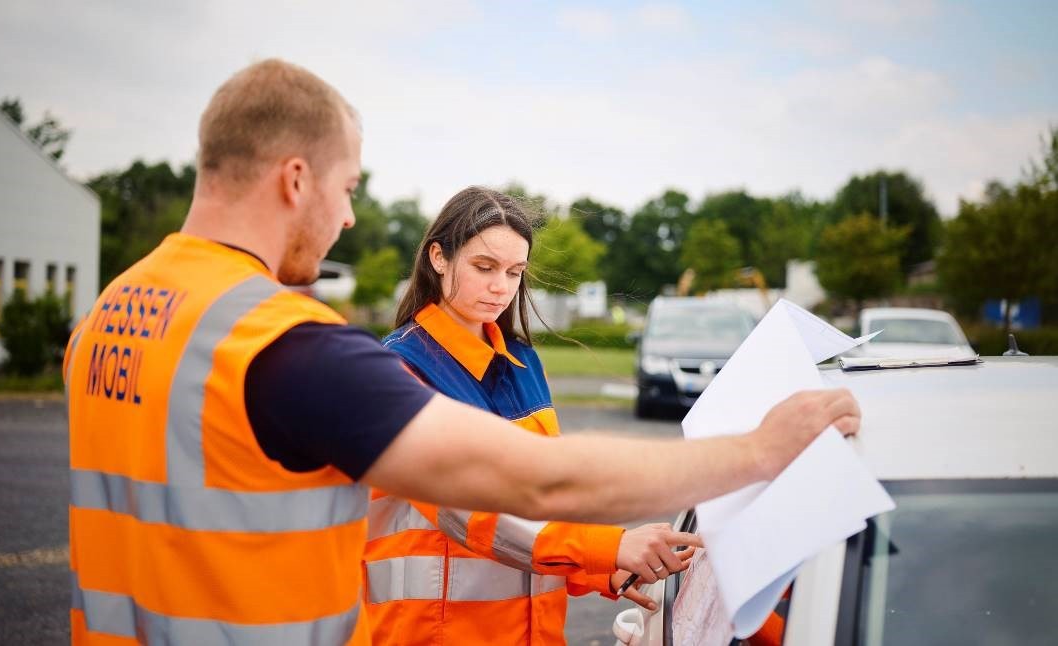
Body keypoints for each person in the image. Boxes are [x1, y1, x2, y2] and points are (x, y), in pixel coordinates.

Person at [64, 58, 861, 646]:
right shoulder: (288, 348)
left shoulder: (112, 315)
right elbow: (535, 481)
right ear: (295, 179)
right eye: (349, 188)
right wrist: (759, 450)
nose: (348, 217)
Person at [366, 186, 701, 645]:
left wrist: (605, 568)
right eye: (484, 267)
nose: (501, 287)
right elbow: (472, 509)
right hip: (434, 634)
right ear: (438, 258)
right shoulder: (399, 371)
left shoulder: (523, 364)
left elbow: (546, 500)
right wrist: (612, 546)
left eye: (514, 272)